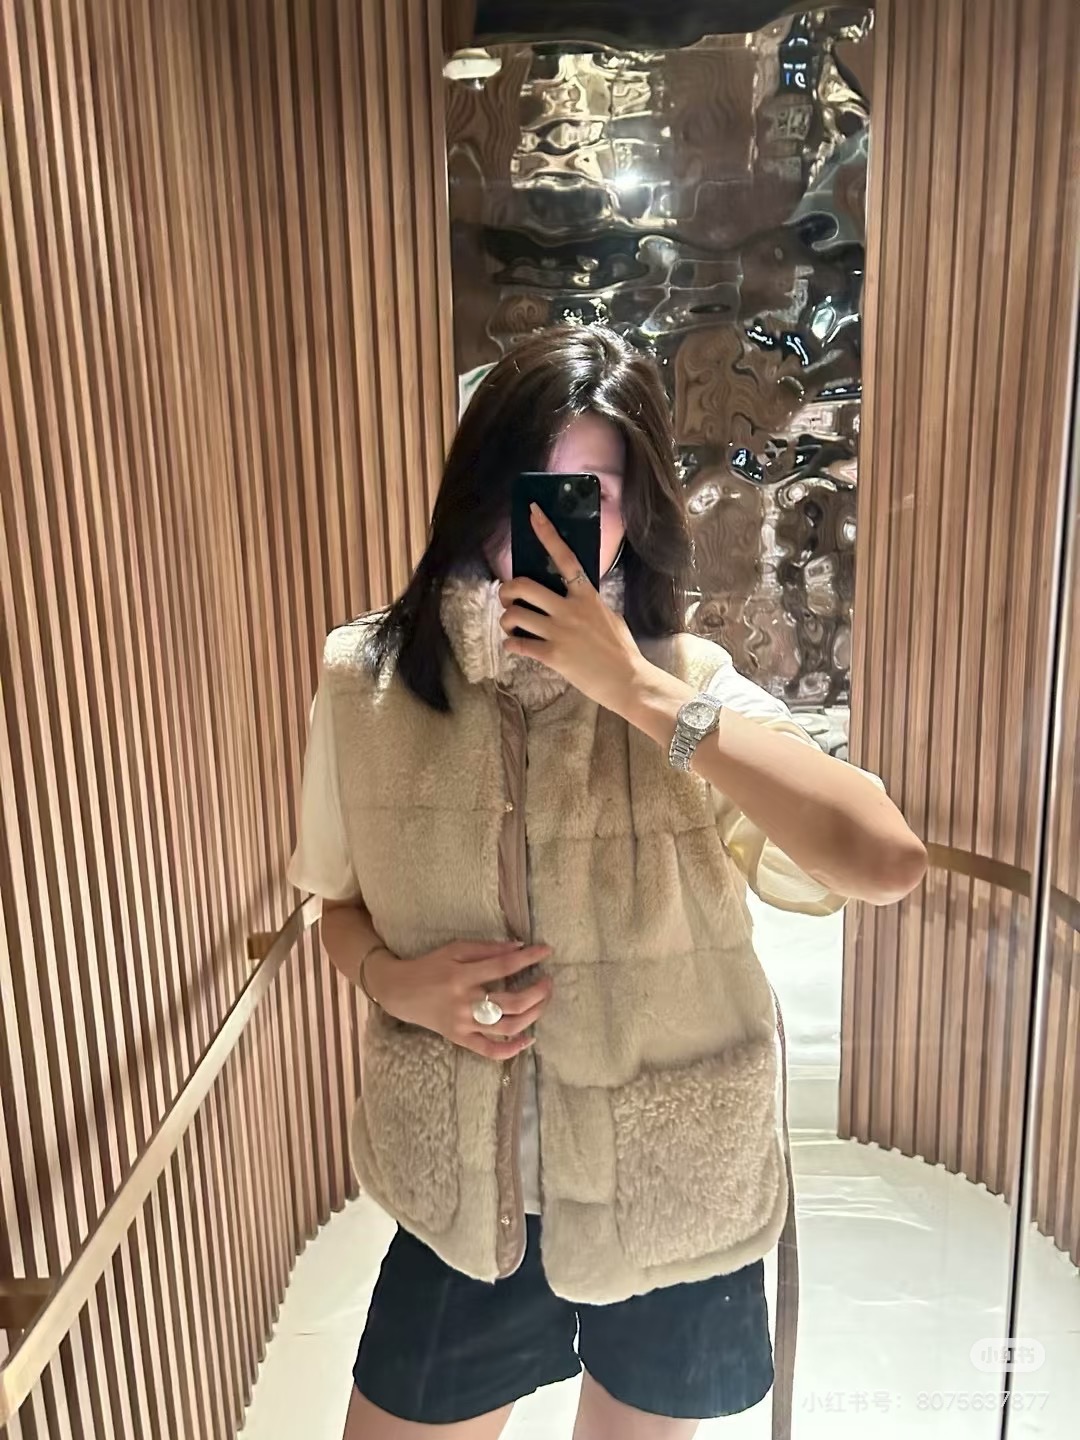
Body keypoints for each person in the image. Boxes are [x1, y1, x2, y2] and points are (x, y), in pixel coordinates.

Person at [288, 325, 927, 1440]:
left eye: (590, 492)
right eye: (527, 481)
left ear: (635, 514)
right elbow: (335, 908)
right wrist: (397, 984)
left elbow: (883, 859)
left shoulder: (688, 685)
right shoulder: (366, 685)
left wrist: (635, 689)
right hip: (465, 1194)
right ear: (475, 484)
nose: (546, 523)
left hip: (673, 1184)